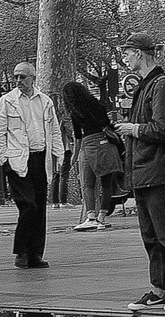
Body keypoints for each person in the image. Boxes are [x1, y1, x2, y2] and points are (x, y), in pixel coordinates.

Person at [116, 31, 165, 312]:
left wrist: (133, 129)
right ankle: (160, 288)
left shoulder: (161, 86)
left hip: (158, 171)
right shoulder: (145, 86)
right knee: (150, 235)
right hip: (143, 172)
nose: (125, 57)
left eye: (127, 52)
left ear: (139, 53)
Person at [0, 62, 64, 268]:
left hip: (40, 159)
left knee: (40, 207)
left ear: (33, 78)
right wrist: (4, 160)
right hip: (17, 161)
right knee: (28, 205)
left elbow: (54, 131)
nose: (18, 81)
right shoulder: (7, 101)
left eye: (22, 77)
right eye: (16, 77)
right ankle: (21, 251)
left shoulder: (45, 101)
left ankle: (36, 253)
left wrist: (59, 156)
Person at [61, 81, 125, 231]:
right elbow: (108, 123)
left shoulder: (76, 112)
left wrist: (74, 156)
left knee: (88, 184)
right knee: (106, 184)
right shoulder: (98, 105)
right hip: (107, 144)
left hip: (90, 145)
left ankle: (91, 217)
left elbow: (78, 137)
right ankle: (102, 218)